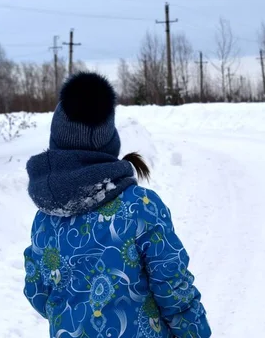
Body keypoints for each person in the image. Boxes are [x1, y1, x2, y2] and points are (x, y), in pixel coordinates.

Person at [23, 72, 211, 338]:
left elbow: (37, 292)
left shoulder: (45, 218)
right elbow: (173, 288)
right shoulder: (141, 207)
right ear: (109, 142)